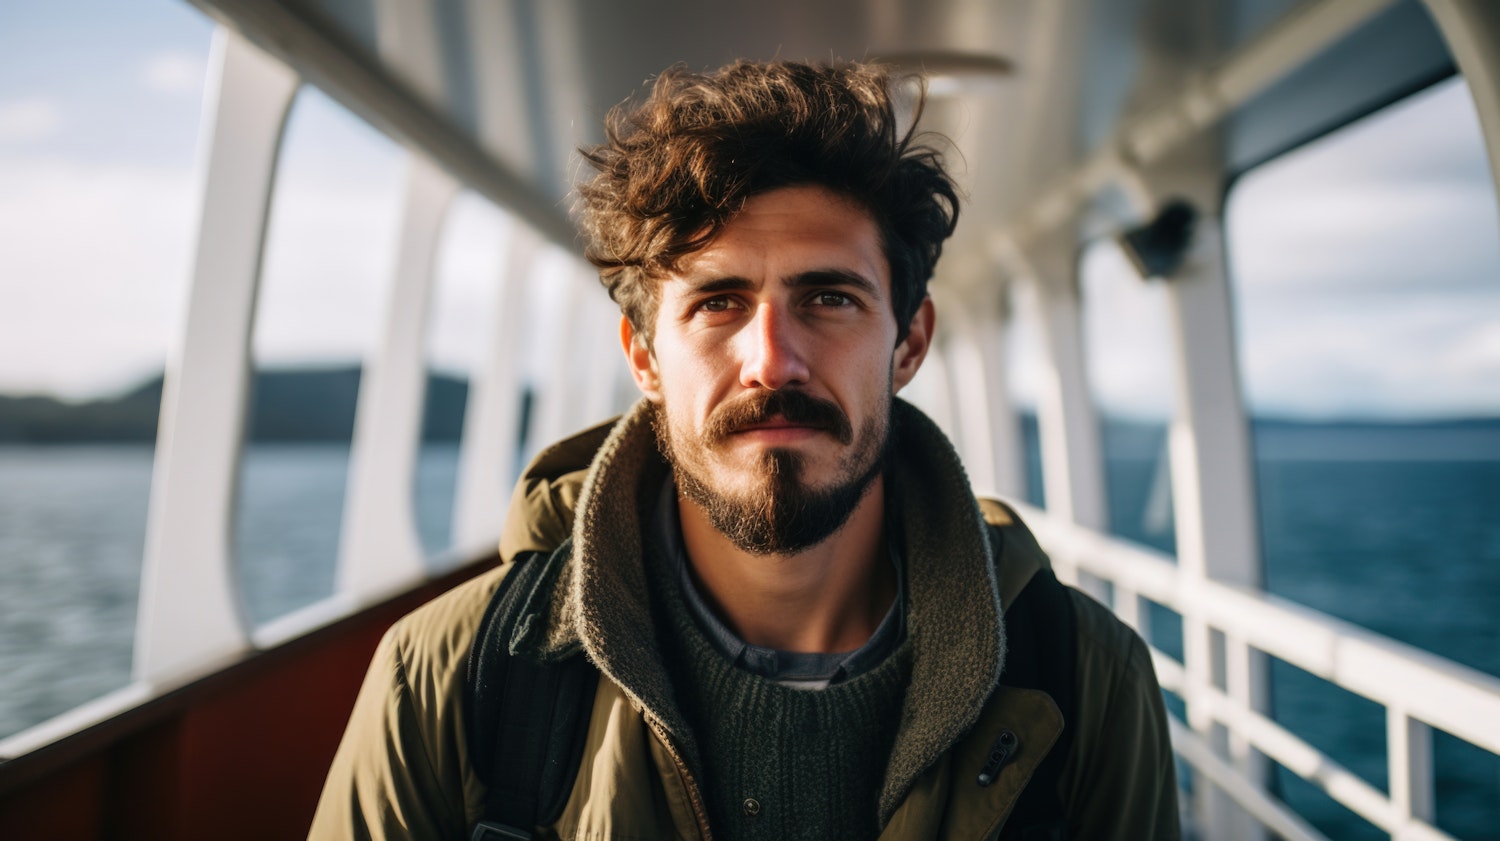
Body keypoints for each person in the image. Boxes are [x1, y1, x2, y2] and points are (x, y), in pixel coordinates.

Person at [310, 59, 1178, 840]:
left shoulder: (1086, 682)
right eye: (718, 302)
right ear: (645, 356)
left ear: (909, 343)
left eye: (830, 297)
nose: (773, 360)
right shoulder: (446, 682)